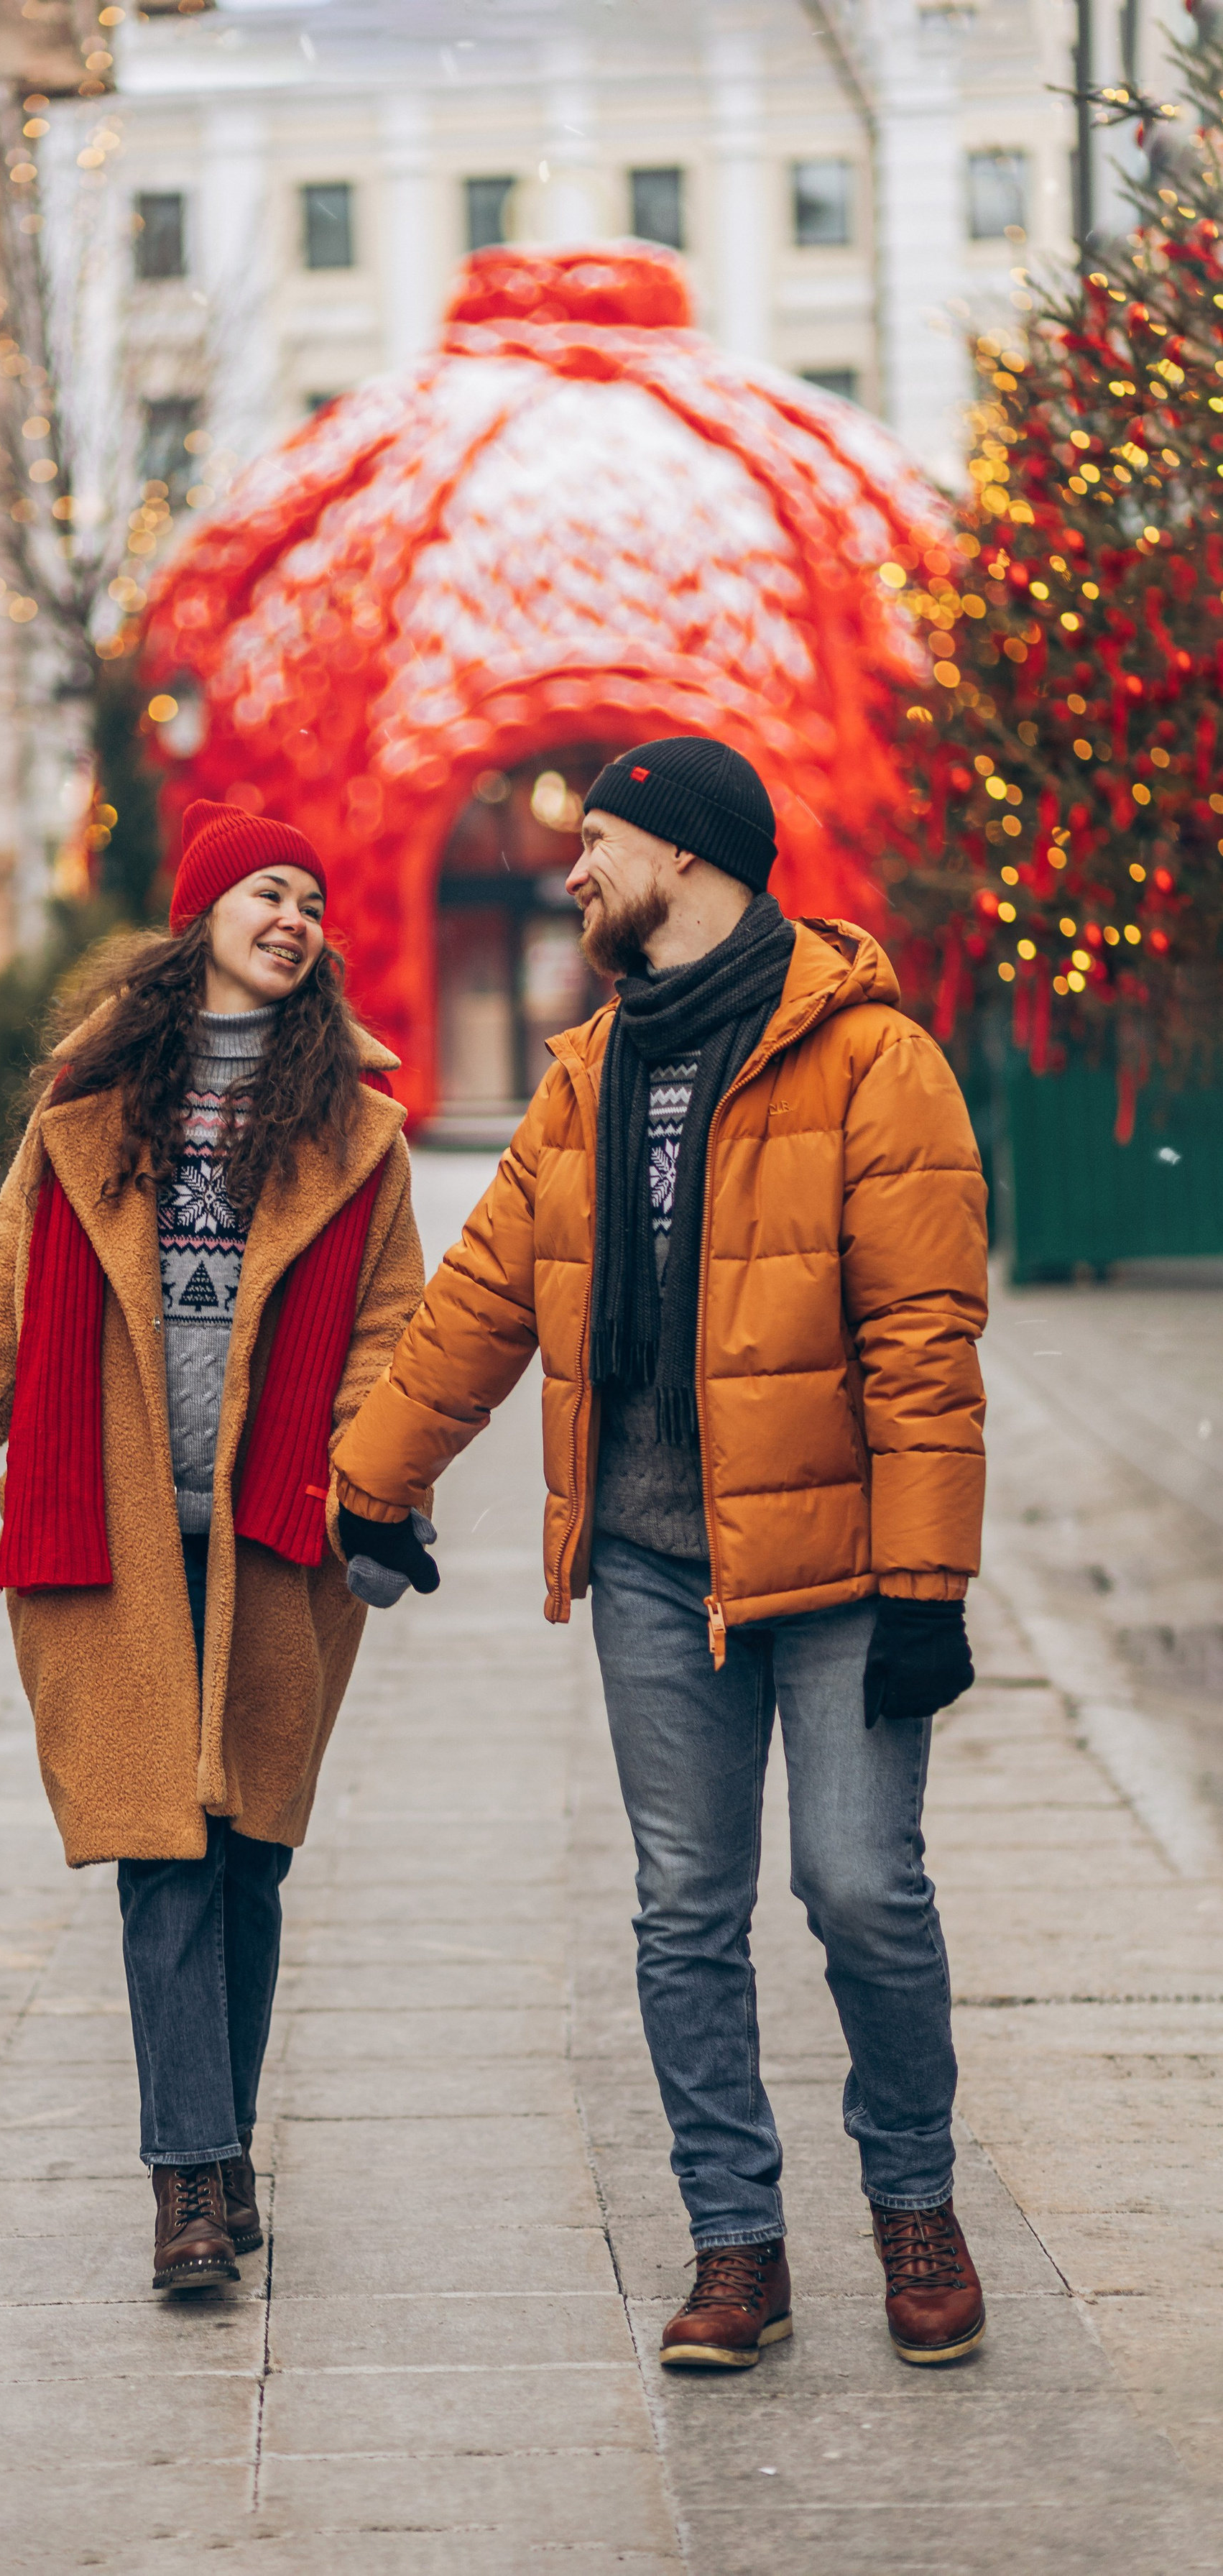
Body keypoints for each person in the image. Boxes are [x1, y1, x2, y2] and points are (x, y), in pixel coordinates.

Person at [333, 737, 990, 2371]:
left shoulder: (870, 1062)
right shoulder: (585, 1077)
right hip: (646, 1563)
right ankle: (734, 2245)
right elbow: (484, 1296)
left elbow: (922, 1342)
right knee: (682, 1908)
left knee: (859, 1887)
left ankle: (912, 2202)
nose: (572, 868)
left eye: (602, 842)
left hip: (839, 1567)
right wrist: (373, 1478)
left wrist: (926, 1586)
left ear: (689, 858)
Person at [0, 800, 425, 2294]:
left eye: (308, 898)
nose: (289, 917)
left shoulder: (354, 1132)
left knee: (247, 1866)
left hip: (272, 1545)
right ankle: (188, 2185)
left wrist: (380, 1490)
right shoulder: (83, 1121)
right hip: (109, 1539)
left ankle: (217, 2148)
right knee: (162, 1859)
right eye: (261, 891)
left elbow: (384, 1335)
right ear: (200, 921)